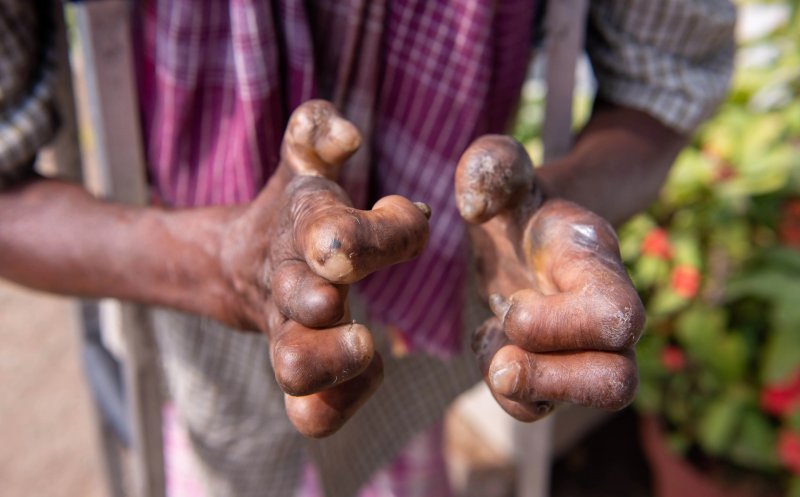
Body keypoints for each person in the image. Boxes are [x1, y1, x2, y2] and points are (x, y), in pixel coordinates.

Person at [0, 0, 736, 496]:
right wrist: (220, 263)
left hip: (437, 286)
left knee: (391, 452)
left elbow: (663, 74)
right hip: (191, 272)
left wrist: (552, 204)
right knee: (227, 460)